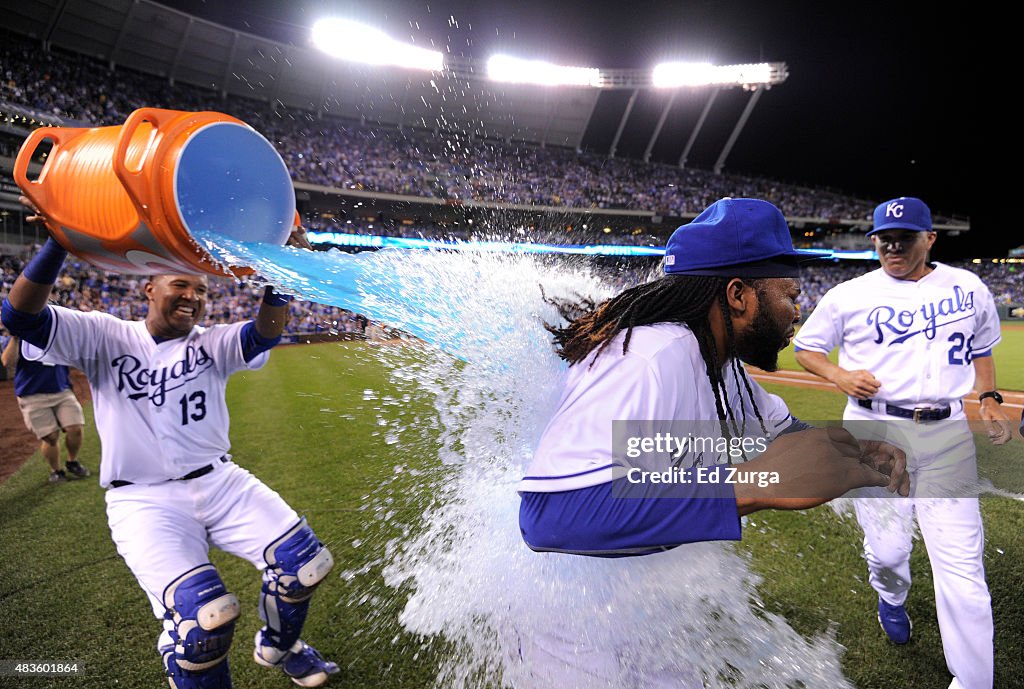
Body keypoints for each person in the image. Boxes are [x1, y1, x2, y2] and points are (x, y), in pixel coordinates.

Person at [517, 198, 909, 685]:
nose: (797, 311)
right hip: (578, 628)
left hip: (642, 602)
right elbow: (550, 517)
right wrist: (753, 484)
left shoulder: (716, 361)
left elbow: (785, 431)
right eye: (791, 294)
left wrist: (859, 448)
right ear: (739, 294)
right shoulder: (650, 357)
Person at [1, 202, 339, 688]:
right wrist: (58, 240)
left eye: (200, 289)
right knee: (206, 622)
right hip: (142, 500)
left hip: (220, 482)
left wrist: (281, 275)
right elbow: (21, 315)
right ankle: (182, 645)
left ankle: (281, 648)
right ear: (148, 287)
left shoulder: (210, 342)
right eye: (180, 284)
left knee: (306, 564)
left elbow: (265, 333)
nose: (193, 296)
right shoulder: (104, 334)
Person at [793, 196, 1014, 689]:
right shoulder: (849, 294)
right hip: (874, 431)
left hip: (947, 431)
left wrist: (990, 397)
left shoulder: (968, 286)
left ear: (930, 238)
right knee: (889, 551)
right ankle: (890, 596)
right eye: (883, 239)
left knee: (961, 564)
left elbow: (981, 351)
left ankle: (974, 682)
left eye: (905, 237)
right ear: (873, 240)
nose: (892, 246)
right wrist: (839, 374)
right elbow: (806, 348)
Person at [1, 332, 89, 483]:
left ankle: (72, 461)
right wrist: (15, 337)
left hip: (61, 389)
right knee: (51, 437)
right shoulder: (20, 337)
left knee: (75, 428)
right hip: (32, 394)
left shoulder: (57, 333)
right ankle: (56, 470)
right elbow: (7, 362)